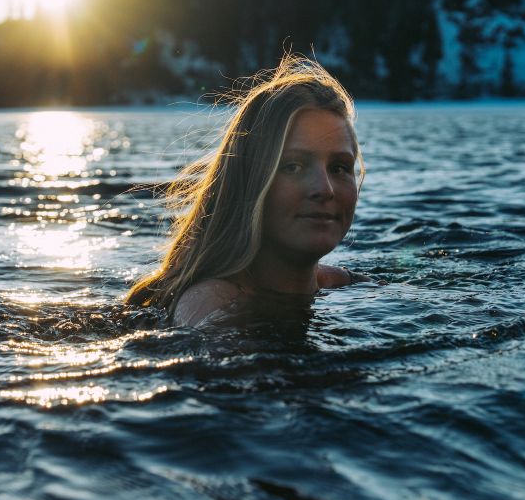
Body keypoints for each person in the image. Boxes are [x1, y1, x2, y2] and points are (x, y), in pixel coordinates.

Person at [124, 54, 366, 327]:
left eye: (339, 168)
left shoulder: (343, 284)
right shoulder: (211, 304)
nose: (324, 189)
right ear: (247, 181)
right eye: (293, 166)